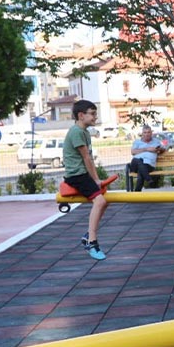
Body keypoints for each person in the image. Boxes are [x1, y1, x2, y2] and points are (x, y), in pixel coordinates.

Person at [65, 100, 110, 260]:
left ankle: (88, 235)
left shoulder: (84, 132)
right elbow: (86, 158)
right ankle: (92, 241)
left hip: (82, 174)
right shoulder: (76, 132)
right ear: (81, 115)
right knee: (100, 201)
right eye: (92, 114)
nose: (95, 117)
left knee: (104, 202)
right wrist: (96, 179)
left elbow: (88, 158)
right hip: (76, 175)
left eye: (95, 114)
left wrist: (95, 178)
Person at [130, 125, 166, 191]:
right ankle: (148, 179)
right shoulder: (137, 142)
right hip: (135, 165)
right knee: (139, 160)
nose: (147, 134)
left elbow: (163, 149)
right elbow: (133, 152)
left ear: (151, 133)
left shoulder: (156, 141)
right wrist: (147, 149)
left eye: (148, 132)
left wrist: (158, 149)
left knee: (141, 172)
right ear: (142, 133)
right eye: (145, 132)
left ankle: (137, 192)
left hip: (149, 165)